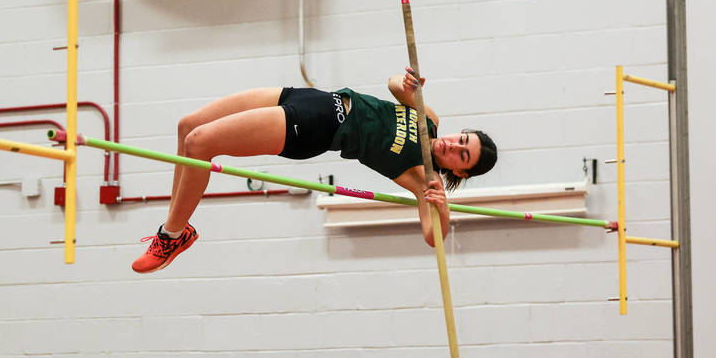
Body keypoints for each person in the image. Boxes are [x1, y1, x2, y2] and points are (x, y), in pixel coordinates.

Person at [132, 68, 499, 273]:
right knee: (186, 127)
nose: (453, 145)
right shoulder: (429, 119)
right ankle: (174, 228)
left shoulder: (424, 179)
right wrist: (406, 85)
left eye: (462, 155)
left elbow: (432, 237)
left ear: (460, 172)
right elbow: (390, 86)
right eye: (461, 138)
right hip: (315, 98)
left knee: (199, 144)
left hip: (315, 129)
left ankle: (173, 234)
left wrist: (444, 210)